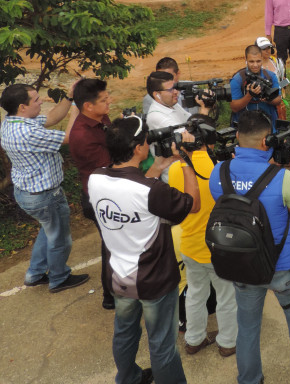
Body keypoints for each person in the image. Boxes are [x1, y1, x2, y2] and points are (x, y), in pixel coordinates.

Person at [206, 111, 290, 384]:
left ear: (237, 137)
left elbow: (234, 198)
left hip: (241, 265)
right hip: (282, 266)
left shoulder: (219, 172)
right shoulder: (281, 178)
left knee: (248, 327)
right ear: (267, 141)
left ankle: (249, 379)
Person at [88, 115, 201, 384]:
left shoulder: (95, 179)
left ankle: (127, 378)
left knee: (125, 333)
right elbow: (192, 204)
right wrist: (186, 161)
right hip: (154, 281)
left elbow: (133, 192)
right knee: (162, 344)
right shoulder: (151, 190)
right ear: (139, 148)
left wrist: (158, 167)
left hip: (117, 276)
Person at [0, 82, 88, 293]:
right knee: (59, 239)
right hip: (45, 196)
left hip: (28, 192)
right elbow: (69, 138)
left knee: (48, 231)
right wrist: (76, 107)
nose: (41, 102)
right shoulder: (27, 132)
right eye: (36, 100)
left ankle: (35, 274)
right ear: (22, 106)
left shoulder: (13, 122)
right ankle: (59, 278)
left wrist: (69, 97)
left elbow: (51, 118)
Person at [167, 115, 238, 358]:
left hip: (189, 244)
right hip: (218, 246)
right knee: (227, 296)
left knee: (196, 294)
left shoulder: (177, 168)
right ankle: (228, 342)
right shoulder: (219, 168)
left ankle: (194, 340)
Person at [68, 78, 115, 309]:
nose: (110, 102)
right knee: (111, 245)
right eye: (104, 100)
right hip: (100, 198)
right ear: (88, 105)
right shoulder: (83, 135)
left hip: (107, 191)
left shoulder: (98, 118)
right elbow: (109, 168)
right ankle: (110, 295)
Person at [146, 71, 212, 181]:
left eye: (176, 87)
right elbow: (192, 140)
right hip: (176, 177)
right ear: (156, 94)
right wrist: (204, 108)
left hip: (188, 168)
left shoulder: (172, 105)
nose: (176, 92)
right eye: (171, 89)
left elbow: (192, 121)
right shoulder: (156, 116)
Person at [230, 44, 283, 130]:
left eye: (258, 61)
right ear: (246, 60)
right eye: (251, 61)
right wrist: (249, 95)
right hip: (246, 127)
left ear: (262, 58)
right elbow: (234, 108)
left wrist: (266, 97)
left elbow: (278, 100)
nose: (255, 65)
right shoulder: (238, 79)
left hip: (267, 124)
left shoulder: (270, 76)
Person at [256, 36, 287, 120]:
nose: (267, 50)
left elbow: (284, 81)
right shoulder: (254, 66)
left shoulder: (277, 62)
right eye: (264, 48)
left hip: (277, 101)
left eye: (269, 47)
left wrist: (279, 88)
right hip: (261, 103)